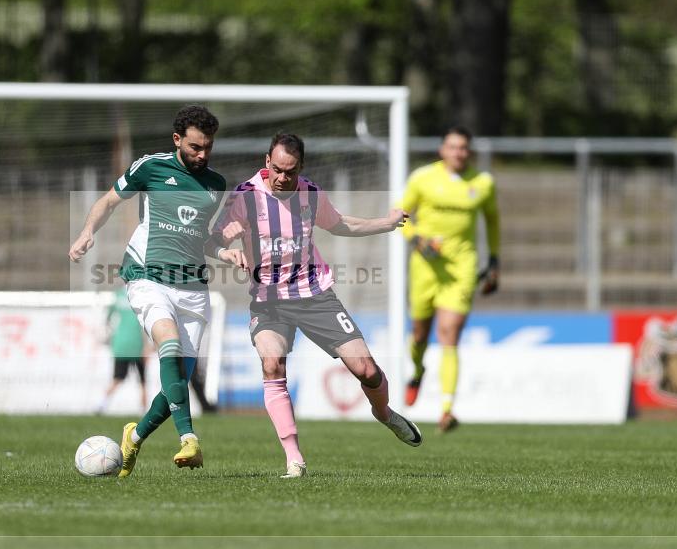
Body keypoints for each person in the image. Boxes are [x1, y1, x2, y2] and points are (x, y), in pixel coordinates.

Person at [208, 132, 421, 479]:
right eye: (276, 169)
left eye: (289, 172)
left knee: (366, 370)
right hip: (269, 303)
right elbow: (214, 238)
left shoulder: (309, 193)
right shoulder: (244, 199)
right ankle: (294, 458)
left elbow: (340, 224)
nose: (282, 177)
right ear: (267, 162)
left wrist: (386, 223)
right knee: (272, 363)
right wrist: (225, 252)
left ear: (300, 168)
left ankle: (384, 414)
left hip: (315, 296)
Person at [69, 105, 246, 478]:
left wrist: (223, 251)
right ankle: (189, 439)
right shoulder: (150, 166)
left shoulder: (215, 184)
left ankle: (134, 438)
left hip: (193, 286)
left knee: (177, 381)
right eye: (195, 147)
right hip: (147, 276)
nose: (202, 155)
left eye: (208, 148)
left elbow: (202, 239)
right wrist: (88, 232)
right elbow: (107, 201)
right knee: (167, 342)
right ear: (177, 140)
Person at [399, 126, 500, 433]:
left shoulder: (482, 183)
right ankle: (417, 371)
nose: (459, 153)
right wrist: (417, 239)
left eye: (464, 148)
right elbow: (399, 215)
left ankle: (447, 409)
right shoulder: (422, 178)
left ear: (469, 152)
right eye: (453, 147)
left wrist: (494, 259)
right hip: (425, 268)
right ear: (442, 149)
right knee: (419, 334)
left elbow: (493, 220)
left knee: (449, 333)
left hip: (461, 268)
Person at [96, 287, 148, 414]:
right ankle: (144, 411)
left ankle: (102, 405)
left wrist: (111, 337)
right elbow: (146, 323)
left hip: (120, 344)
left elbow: (107, 319)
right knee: (142, 381)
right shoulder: (143, 295)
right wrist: (147, 345)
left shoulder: (118, 295)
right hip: (137, 344)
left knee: (117, 378)